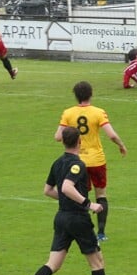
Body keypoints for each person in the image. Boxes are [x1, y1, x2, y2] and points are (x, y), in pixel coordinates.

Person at [13, 127, 130, 275]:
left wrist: (68, 200)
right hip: (78, 219)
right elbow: (67, 187)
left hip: (61, 218)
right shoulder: (78, 165)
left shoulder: (57, 163)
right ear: (79, 142)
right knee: (97, 263)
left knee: (53, 264)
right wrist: (88, 203)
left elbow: (48, 190)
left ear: (64, 142)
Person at [55, 81, 127, 242]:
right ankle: (101, 233)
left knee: (81, 196)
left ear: (76, 96)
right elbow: (112, 135)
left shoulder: (68, 113)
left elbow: (58, 137)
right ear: (91, 94)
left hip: (77, 161)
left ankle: (83, 230)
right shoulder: (98, 112)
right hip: (97, 160)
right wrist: (121, 145)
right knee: (101, 194)